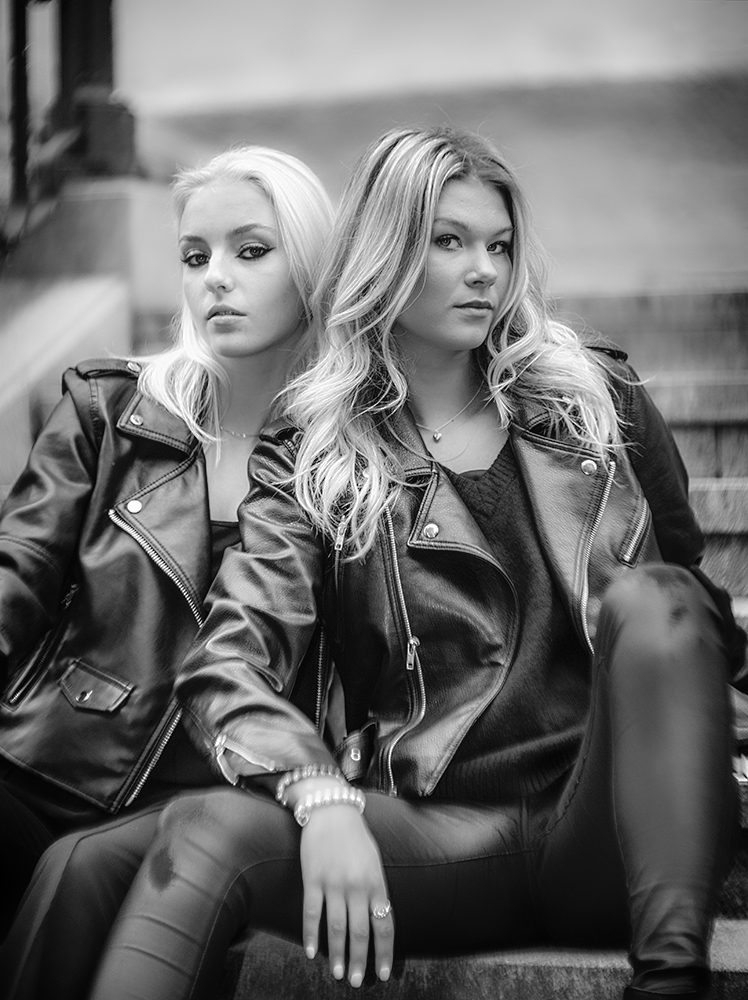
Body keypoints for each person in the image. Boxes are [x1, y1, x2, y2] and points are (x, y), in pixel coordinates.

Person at [18, 125, 747, 1000]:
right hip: (447, 832)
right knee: (196, 832)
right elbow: (230, 661)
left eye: (500, 246)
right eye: (450, 241)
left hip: (616, 827)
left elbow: (690, 612)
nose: (483, 271)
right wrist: (319, 791)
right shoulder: (315, 456)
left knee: (660, 597)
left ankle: (670, 982)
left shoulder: (596, 399)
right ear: (387, 253)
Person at [0, 145, 333, 994]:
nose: (215, 277)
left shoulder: (351, 461)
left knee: (86, 874)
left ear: (315, 264)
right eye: (194, 256)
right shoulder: (111, 411)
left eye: (250, 251)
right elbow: (16, 571)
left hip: (222, 801)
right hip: (51, 768)